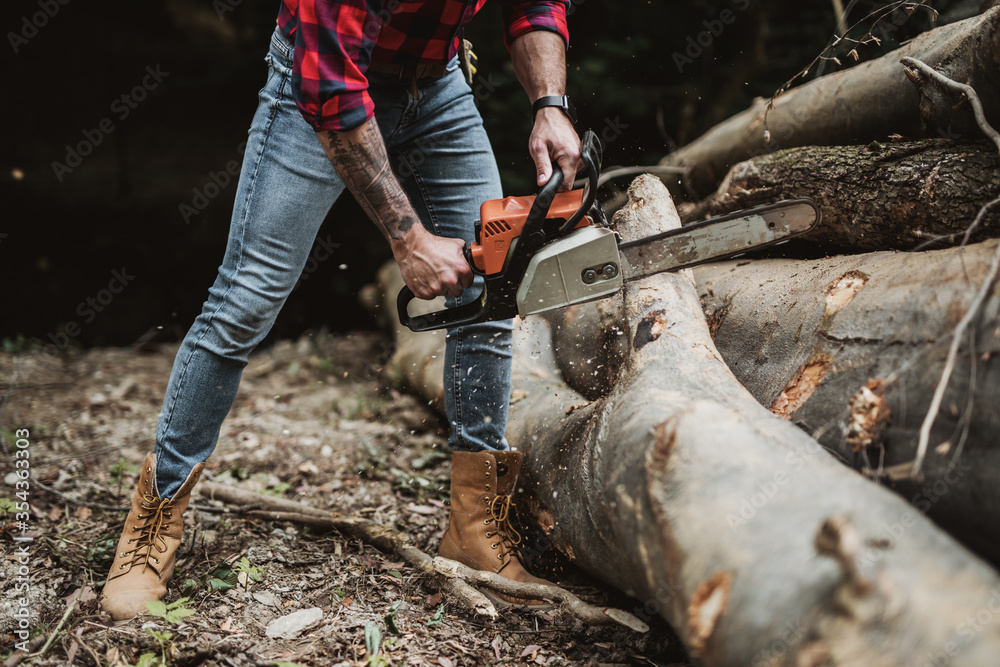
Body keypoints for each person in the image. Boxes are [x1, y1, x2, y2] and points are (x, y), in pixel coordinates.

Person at [99, 0, 582, 621]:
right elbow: (333, 92)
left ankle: (472, 528)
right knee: (244, 301)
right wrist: (408, 239)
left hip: (436, 86)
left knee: (488, 292)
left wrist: (550, 103)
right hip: (319, 87)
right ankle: (152, 523)